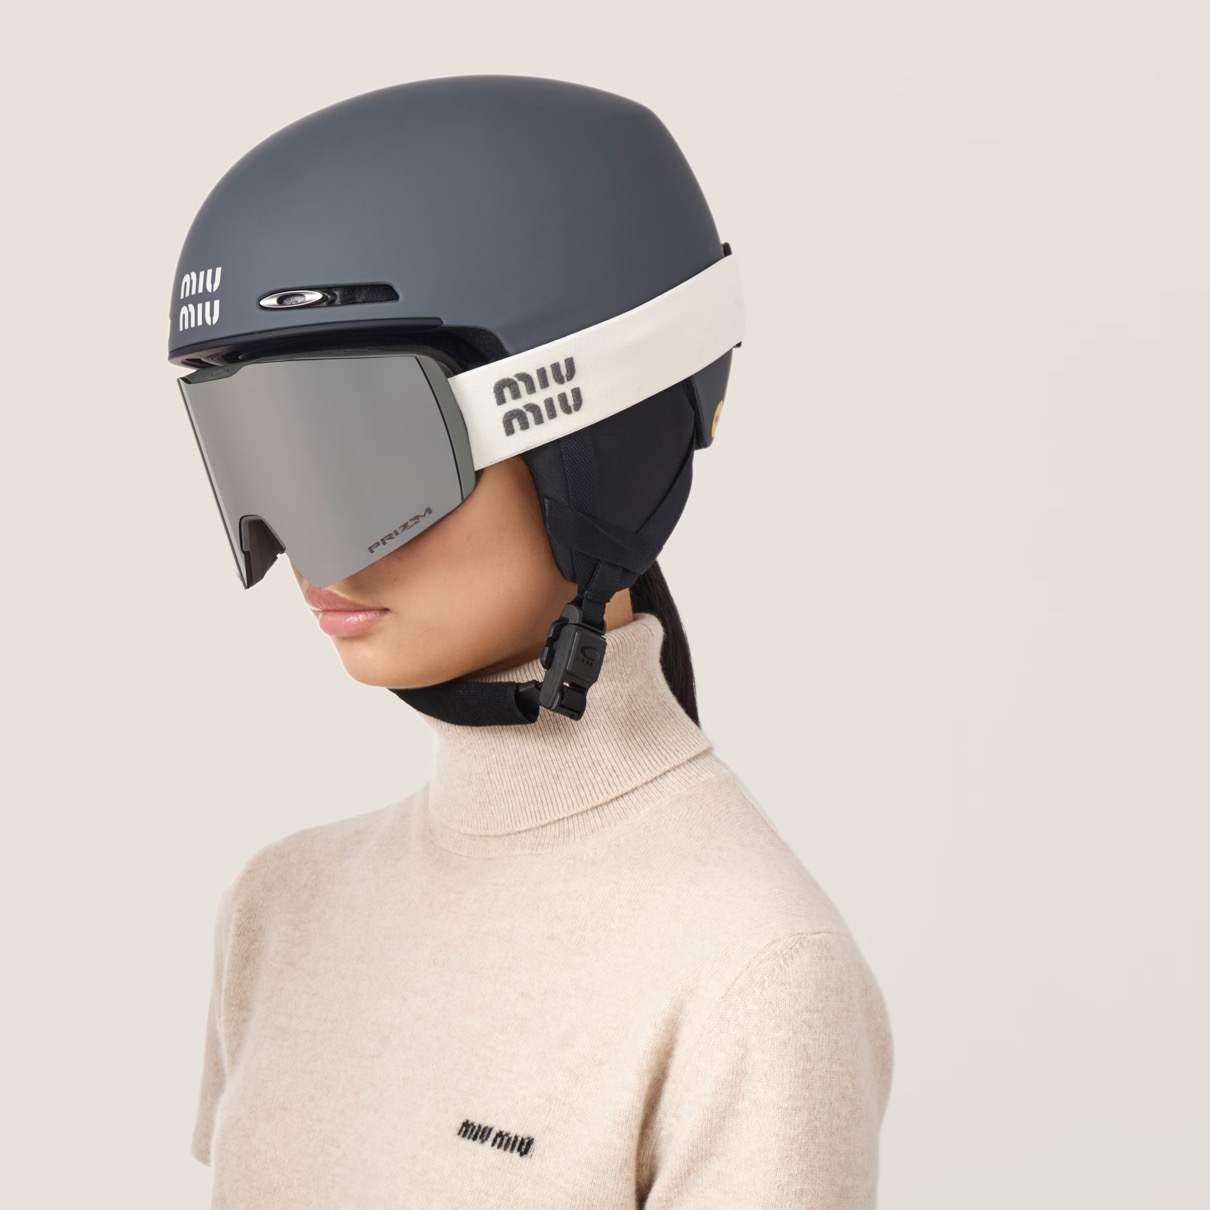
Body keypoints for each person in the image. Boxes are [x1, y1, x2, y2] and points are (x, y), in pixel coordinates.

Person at [170, 73, 894, 1207]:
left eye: (365, 456)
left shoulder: (753, 974)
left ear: (593, 446)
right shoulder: (281, 908)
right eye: (263, 456)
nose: (306, 549)